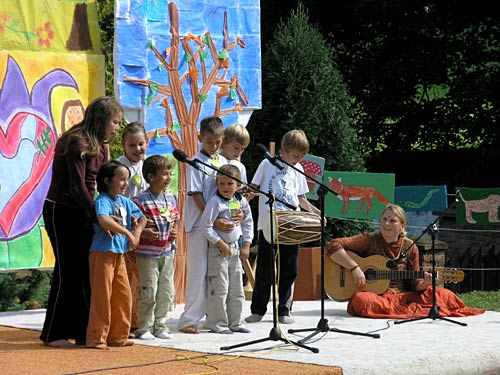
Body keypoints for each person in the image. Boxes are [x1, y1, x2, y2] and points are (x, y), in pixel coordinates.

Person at [40, 96, 123, 348]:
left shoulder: (102, 146)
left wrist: (109, 210)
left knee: (86, 269)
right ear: (102, 120)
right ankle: (54, 333)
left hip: (85, 211)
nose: (117, 128)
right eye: (115, 122)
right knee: (68, 270)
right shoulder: (76, 142)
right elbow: (77, 187)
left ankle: (82, 329)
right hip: (62, 211)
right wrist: (99, 216)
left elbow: (100, 184)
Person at [325, 203, 485, 319]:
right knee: (361, 300)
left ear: (402, 225)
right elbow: (333, 245)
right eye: (384, 219)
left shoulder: (410, 247)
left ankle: (392, 309)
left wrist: (426, 283)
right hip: (376, 296)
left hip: (402, 295)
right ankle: (392, 309)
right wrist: (354, 268)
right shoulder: (368, 240)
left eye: (392, 220)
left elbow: (413, 283)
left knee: (444, 295)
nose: (386, 224)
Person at [245, 129, 321, 325]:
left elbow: (301, 198)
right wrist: (250, 194)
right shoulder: (266, 164)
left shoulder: (299, 169)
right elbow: (253, 187)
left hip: (291, 225)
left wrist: (315, 212)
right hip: (269, 224)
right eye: (294, 155)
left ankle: (284, 310)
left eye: (300, 157)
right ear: (283, 150)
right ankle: (258, 309)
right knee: (265, 268)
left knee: (290, 268)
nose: (296, 160)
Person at [86, 160, 147, 350]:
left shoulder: (125, 202)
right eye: (121, 179)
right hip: (103, 253)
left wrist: (136, 233)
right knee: (102, 296)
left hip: (120, 254)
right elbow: (103, 219)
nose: (125, 183)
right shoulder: (103, 200)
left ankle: (118, 336)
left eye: (127, 179)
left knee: (123, 295)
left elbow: (143, 217)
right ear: (107, 180)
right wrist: (127, 233)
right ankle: (97, 338)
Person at [177, 115, 228, 334]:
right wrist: (212, 219)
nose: (214, 146)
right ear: (200, 138)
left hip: (220, 225)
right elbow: (197, 196)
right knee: (199, 271)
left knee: (217, 272)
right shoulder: (194, 163)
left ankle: (214, 316)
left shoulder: (224, 162)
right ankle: (189, 319)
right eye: (210, 142)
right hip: (199, 224)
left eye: (218, 142)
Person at [200, 164, 254, 334]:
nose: (225, 187)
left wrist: (246, 243)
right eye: (221, 183)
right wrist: (218, 242)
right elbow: (205, 226)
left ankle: (236, 322)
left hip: (235, 250)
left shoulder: (240, 201)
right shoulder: (215, 202)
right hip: (219, 251)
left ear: (238, 185)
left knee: (237, 288)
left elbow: (248, 222)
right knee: (220, 287)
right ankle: (217, 323)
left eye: (230, 184)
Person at [132, 155, 180, 340]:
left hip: (167, 253)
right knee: (148, 290)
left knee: (166, 291)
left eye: (170, 174)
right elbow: (133, 224)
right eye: (164, 174)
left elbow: (175, 219)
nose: (168, 178)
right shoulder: (140, 200)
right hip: (147, 254)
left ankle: (160, 325)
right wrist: (143, 233)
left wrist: (174, 231)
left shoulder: (171, 198)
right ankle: (144, 327)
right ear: (150, 177)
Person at [116, 121, 149, 334]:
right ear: (123, 146)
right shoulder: (119, 166)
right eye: (132, 145)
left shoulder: (147, 165)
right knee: (125, 277)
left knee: (140, 277)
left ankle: (138, 320)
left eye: (141, 144)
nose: (138, 149)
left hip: (142, 228)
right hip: (124, 228)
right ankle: (122, 321)